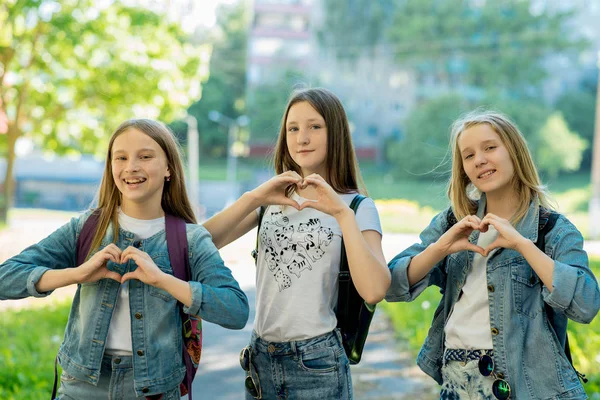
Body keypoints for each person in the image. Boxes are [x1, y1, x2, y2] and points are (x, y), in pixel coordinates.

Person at [0, 119, 249, 399]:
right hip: (81, 387)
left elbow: (236, 311)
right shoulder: (86, 228)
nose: (131, 167)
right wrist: (76, 274)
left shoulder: (190, 240)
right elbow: (5, 277)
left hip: (153, 390)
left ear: (168, 168)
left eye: (145, 156)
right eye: (121, 157)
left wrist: (164, 280)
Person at [385, 110, 600, 399]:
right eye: (468, 155)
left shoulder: (553, 230)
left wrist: (523, 244)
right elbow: (391, 284)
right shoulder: (453, 223)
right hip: (457, 384)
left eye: (489, 148)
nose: (480, 160)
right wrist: (440, 249)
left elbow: (586, 305)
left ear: (514, 151)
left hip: (529, 388)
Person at [202, 87, 390, 399]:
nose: (302, 138)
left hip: (316, 362)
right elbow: (199, 245)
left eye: (315, 127)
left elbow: (375, 290)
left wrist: (342, 215)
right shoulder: (272, 199)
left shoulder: (356, 207)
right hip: (260, 358)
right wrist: (253, 198)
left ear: (337, 133)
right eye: (293, 128)